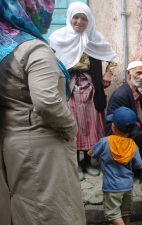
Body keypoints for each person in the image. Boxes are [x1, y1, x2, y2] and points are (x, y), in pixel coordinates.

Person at [0, 0, 88, 225]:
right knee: (48, 211)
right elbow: (48, 101)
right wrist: (70, 126)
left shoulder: (4, 48)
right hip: (41, 145)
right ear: (33, 12)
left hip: (13, 141)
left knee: (25, 208)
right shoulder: (34, 49)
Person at [49, 2, 119, 181]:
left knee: (91, 124)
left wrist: (108, 73)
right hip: (69, 86)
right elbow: (49, 60)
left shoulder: (94, 37)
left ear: (89, 22)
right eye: (76, 17)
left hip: (91, 87)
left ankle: (88, 161)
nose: (79, 22)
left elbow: (112, 56)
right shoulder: (58, 38)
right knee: (73, 123)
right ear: (70, 17)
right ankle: (76, 163)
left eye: (84, 19)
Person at [88, 107, 142, 225]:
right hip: (127, 186)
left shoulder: (105, 142)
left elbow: (91, 153)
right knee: (125, 210)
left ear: (114, 126)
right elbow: (139, 165)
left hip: (112, 187)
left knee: (112, 213)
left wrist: (94, 154)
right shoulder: (132, 145)